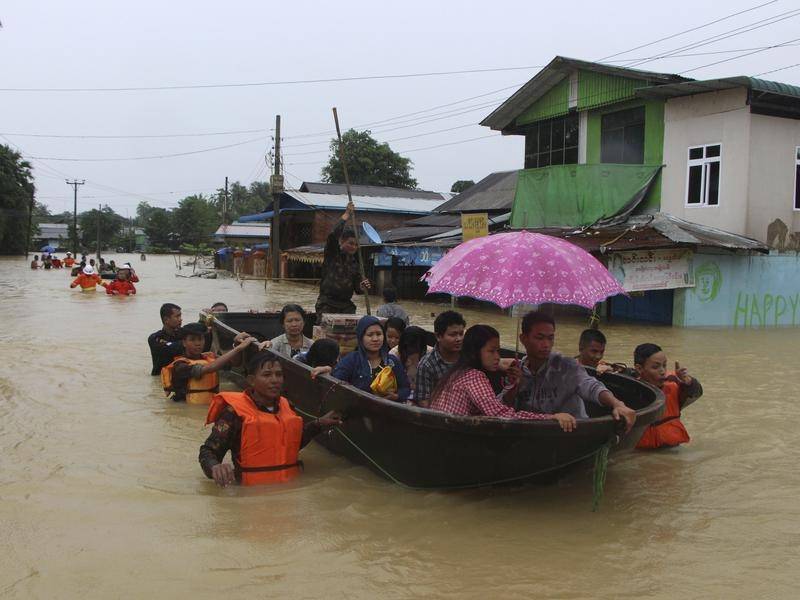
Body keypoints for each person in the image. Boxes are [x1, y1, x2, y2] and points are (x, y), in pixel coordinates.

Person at [199, 351, 342, 486]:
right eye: (267, 375)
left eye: (279, 375)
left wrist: (318, 424)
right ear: (251, 381)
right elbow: (208, 451)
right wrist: (215, 467)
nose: (275, 380)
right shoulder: (233, 413)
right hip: (250, 496)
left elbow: (290, 444)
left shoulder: (288, 406)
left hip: (289, 493)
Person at [509, 311, 636, 433]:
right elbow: (502, 409)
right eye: (539, 338)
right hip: (535, 435)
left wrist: (617, 404)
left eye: (550, 338)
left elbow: (590, 386)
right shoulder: (517, 370)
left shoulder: (565, 366)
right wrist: (514, 386)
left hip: (574, 433)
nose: (546, 344)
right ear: (523, 339)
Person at [430, 325, 576, 429]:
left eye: (498, 351)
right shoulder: (474, 377)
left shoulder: (458, 371)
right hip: (455, 439)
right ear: (475, 352)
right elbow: (501, 414)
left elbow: (492, 406)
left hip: (446, 433)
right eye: (492, 351)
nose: (497, 357)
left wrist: (513, 385)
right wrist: (550, 417)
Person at [162, 323, 258, 404]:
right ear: (184, 343)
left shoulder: (210, 357)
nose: (198, 343)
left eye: (200, 339)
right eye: (192, 339)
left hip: (207, 405)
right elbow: (209, 368)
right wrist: (239, 348)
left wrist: (236, 343)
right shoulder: (180, 365)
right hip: (184, 407)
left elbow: (235, 363)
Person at [633, 343, 703, 450]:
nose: (662, 371)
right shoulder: (628, 389)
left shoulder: (674, 383)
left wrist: (688, 382)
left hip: (672, 450)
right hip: (640, 453)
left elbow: (695, 393)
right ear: (639, 368)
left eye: (664, 365)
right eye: (656, 367)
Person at [332, 315, 410, 401]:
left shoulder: (392, 361)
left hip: (387, 409)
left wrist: (397, 396)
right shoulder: (351, 360)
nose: (375, 339)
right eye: (370, 335)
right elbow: (335, 384)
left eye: (379, 334)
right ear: (361, 337)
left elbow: (405, 388)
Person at [315, 201, 370, 319]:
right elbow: (332, 235)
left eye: (356, 245)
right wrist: (346, 214)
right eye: (350, 243)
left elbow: (358, 288)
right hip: (327, 303)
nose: (353, 247)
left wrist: (362, 286)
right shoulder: (332, 254)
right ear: (342, 242)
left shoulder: (355, 263)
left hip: (346, 305)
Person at [415, 310, 466, 407]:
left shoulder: (468, 356)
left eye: (461, 334)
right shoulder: (426, 365)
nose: (459, 339)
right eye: (453, 335)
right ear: (438, 336)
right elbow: (423, 402)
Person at [389, 326, 430, 401]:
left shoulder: (429, 354)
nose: (411, 352)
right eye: (409, 348)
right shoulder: (394, 355)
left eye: (415, 349)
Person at [148, 303, 183, 376]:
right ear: (166, 320)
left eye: (180, 316)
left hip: (177, 377)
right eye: (177, 316)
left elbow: (197, 330)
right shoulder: (154, 338)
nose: (181, 319)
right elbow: (170, 349)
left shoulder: (183, 333)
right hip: (160, 379)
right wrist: (186, 343)